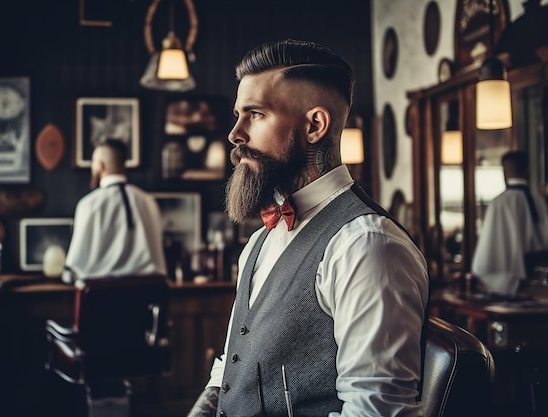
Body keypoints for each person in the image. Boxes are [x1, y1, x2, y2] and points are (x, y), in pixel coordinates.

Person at [186, 39, 429, 417]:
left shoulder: (366, 246)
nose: (236, 133)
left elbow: (374, 411)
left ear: (315, 125)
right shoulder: (258, 242)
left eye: (256, 114)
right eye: (238, 115)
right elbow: (231, 368)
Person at [62, 139, 167, 284]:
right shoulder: (149, 202)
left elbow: (73, 268)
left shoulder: (89, 204)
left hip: (102, 298)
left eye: (93, 163)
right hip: (148, 296)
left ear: (100, 166)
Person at [471, 150, 548, 296]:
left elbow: (486, 257)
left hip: (509, 280)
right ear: (527, 170)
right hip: (538, 281)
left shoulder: (499, 203)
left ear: (505, 171)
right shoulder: (538, 201)